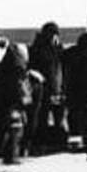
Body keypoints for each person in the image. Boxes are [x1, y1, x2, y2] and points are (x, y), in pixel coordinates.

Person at [0, 43, 35, 164]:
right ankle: (12, 155)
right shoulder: (18, 71)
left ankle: (11, 154)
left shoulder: (0, 68)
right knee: (15, 128)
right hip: (12, 103)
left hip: (1, 100)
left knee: (10, 127)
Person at [28, 21, 67, 151]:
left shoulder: (36, 49)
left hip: (47, 88)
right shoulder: (49, 50)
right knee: (50, 117)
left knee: (42, 117)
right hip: (50, 88)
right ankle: (52, 143)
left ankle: (40, 143)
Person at [63, 32, 87, 139]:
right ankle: (84, 136)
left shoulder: (69, 53)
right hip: (84, 89)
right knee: (85, 114)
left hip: (72, 88)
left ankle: (75, 136)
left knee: (74, 113)